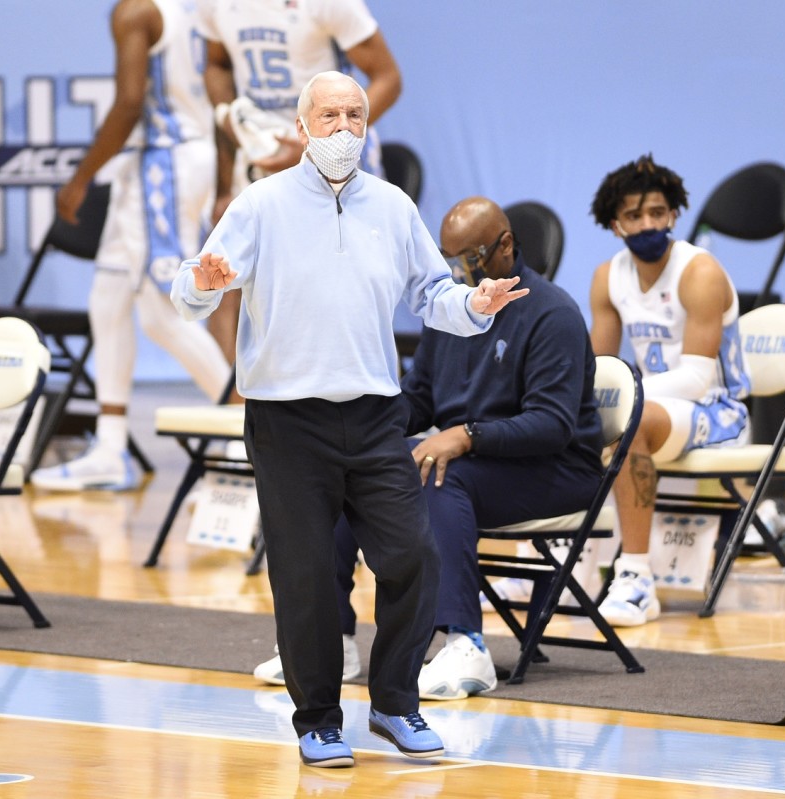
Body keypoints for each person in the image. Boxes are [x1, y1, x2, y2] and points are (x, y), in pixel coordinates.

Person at [169, 72, 527, 768]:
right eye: (328, 115)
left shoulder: (392, 206)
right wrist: (203, 284)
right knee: (304, 575)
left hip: (373, 416)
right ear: (302, 127)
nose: (342, 128)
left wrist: (475, 306)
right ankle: (318, 721)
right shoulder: (261, 204)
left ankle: (394, 702)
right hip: (286, 420)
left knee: (414, 555)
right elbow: (192, 289)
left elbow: (432, 293)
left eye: (355, 115)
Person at [250, 196, 605, 702]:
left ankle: (466, 643)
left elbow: (552, 425)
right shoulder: (453, 310)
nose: (457, 270)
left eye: (469, 258)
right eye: (448, 258)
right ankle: (333, 641)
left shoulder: (553, 314)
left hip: (557, 469)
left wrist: (466, 435)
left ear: (506, 246)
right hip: (479, 460)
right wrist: (357, 428)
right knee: (350, 469)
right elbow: (419, 398)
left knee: (439, 474)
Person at [29, 0, 234, 492]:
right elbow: (220, 101)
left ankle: (248, 428)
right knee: (108, 299)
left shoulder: (135, 11)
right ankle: (110, 446)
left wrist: (81, 178)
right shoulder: (196, 9)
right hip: (166, 159)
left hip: (165, 165)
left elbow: (128, 102)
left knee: (163, 314)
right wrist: (223, 181)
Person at [588, 154, 751, 628]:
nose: (648, 224)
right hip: (657, 407)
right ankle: (559, 559)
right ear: (615, 225)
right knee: (569, 417)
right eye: (635, 215)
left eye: (657, 212)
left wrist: (624, 397)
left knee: (627, 421)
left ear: (674, 215)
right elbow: (601, 369)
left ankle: (637, 579)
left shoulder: (699, 272)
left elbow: (697, 378)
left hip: (719, 411)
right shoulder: (608, 277)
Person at [195, 0, 402, 369]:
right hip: (259, 150)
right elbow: (217, 64)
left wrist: (316, 145)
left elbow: (388, 78)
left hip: (331, 151)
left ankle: (360, 387)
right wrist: (226, 119)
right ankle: (235, 395)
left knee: (339, 289)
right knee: (223, 282)